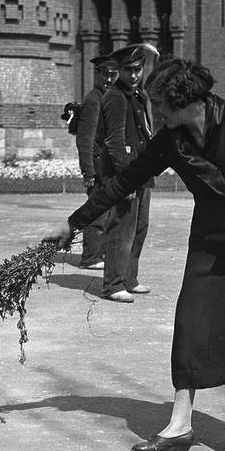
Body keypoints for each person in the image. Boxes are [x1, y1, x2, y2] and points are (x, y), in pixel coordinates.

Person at [44, 57, 225, 451]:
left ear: (184, 102)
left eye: (160, 103)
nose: (155, 110)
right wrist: (72, 224)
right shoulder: (171, 139)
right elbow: (124, 181)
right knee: (191, 323)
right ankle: (180, 427)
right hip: (210, 238)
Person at [98, 44, 157, 302]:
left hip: (142, 173)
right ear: (119, 70)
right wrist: (125, 180)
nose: (134, 75)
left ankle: (129, 278)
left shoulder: (138, 96)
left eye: (138, 69)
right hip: (125, 176)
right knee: (121, 228)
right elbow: (114, 142)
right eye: (128, 70)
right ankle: (113, 284)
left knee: (140, 227)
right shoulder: (115, 97)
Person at [74, 53, 120, 269]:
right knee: (96, 212)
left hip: (109, 166)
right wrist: (88, 172)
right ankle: (91, 256)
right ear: (97, 75)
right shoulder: (94, 100)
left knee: (108, 211)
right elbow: (85, 139)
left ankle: (99, 253)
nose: (109, 79)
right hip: (98, 166)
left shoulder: (111, 98)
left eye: (113, 75)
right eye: (105, 75)